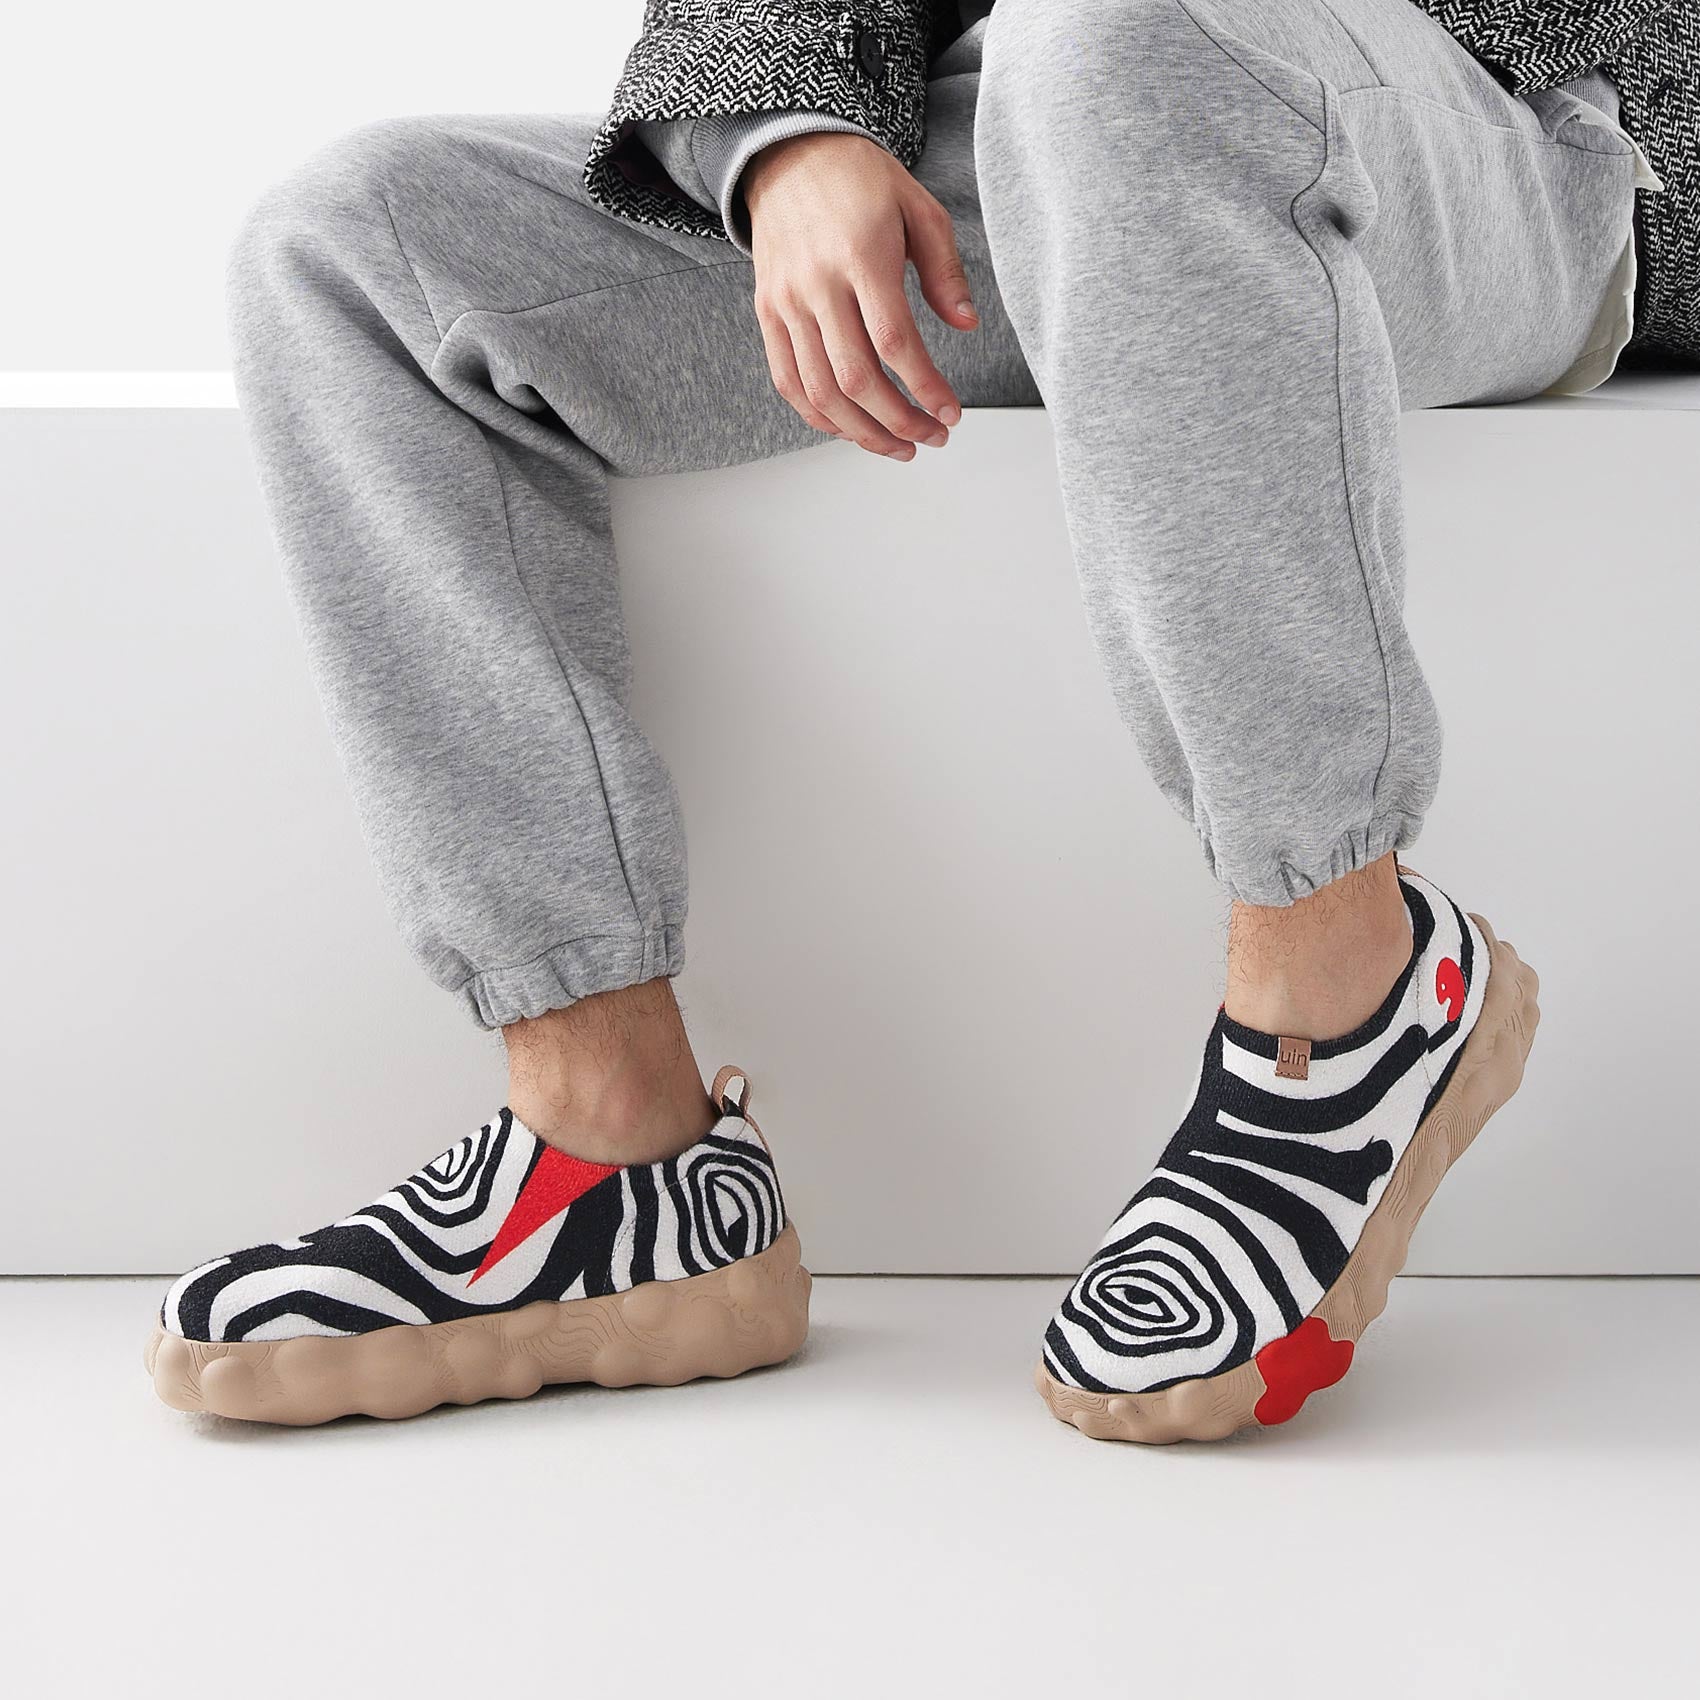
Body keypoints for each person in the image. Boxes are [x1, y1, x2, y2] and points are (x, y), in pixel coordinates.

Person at [148, 0, 1695, 1435]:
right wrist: (788, 140)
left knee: (1113, 41)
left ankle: (1344, 985)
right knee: (362, 242)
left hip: (1506, 133)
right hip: (1055, 129)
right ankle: (611, 1149)